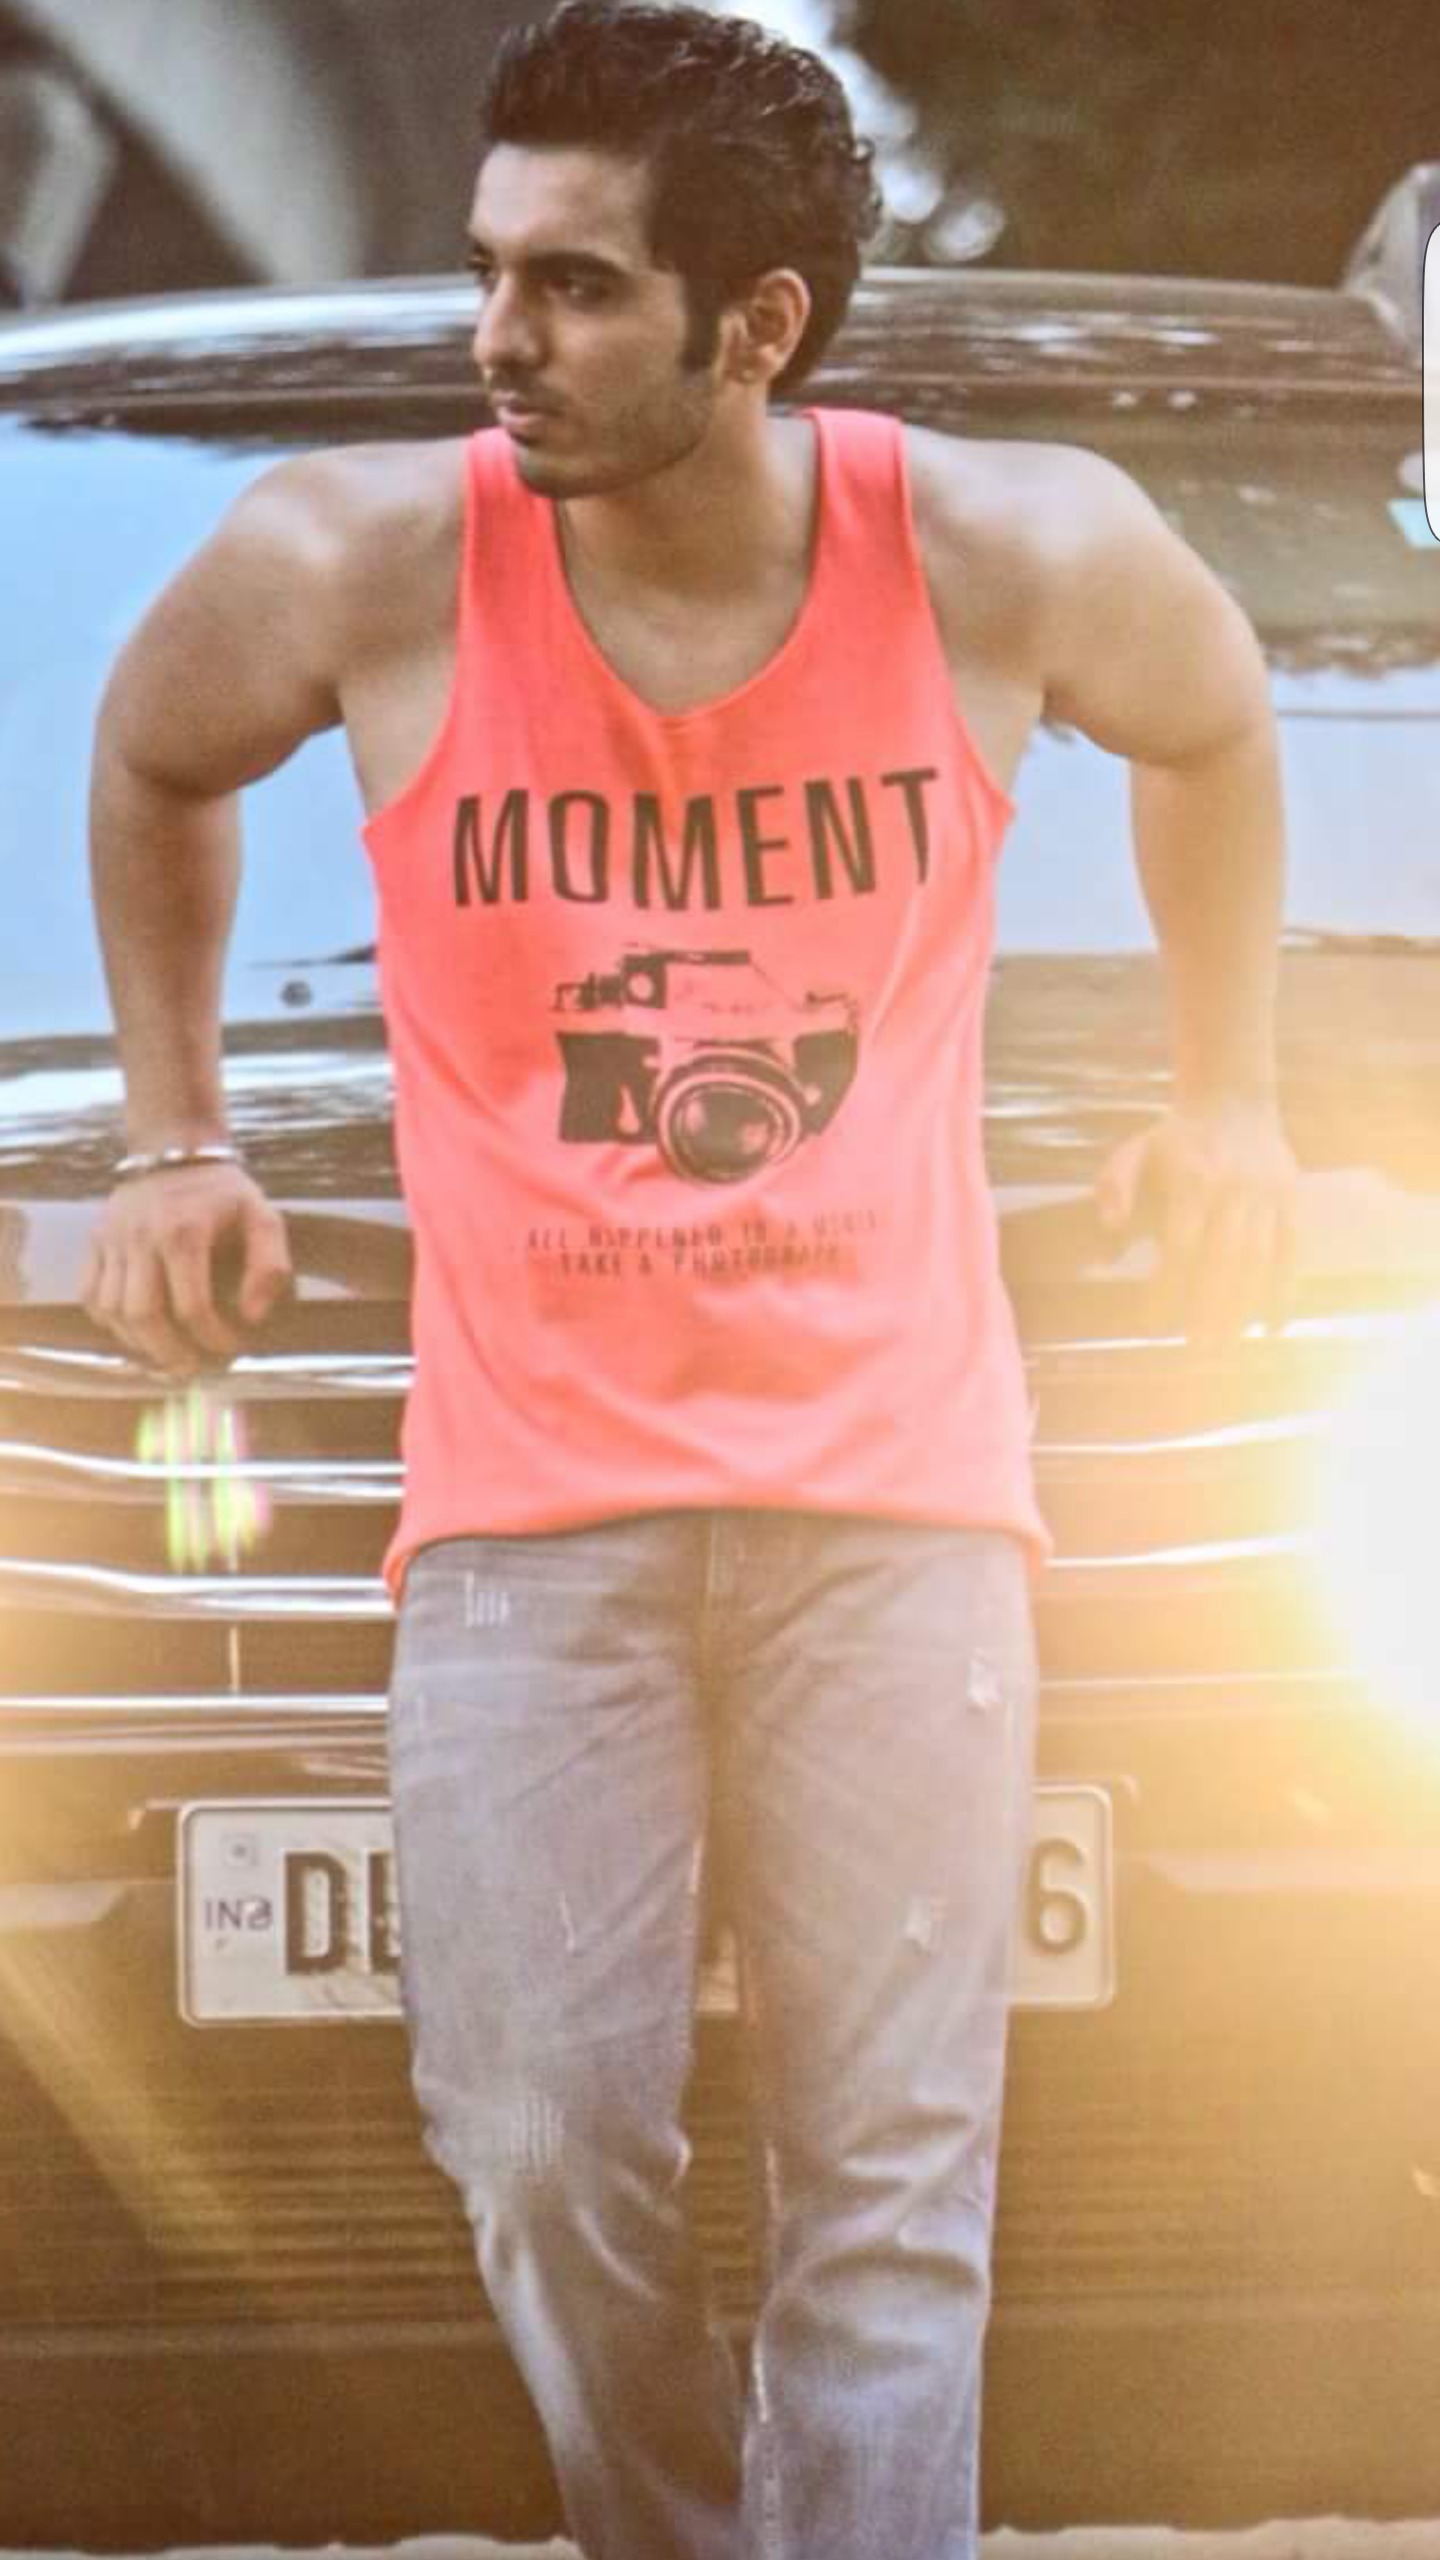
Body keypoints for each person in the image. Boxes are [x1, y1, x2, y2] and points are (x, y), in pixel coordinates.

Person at [83, 5, 1297, 2552]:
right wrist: (178, 1134)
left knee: (891, 2184)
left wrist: (1229, 1096)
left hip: (900, 1503)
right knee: (538, 2142)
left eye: (575, 287)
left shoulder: (1001, 551)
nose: (498, 340)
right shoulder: (359, 563)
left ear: (758, 326)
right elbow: (158, 751)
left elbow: (1212, 716)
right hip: (530, 1529)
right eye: (488, 270)